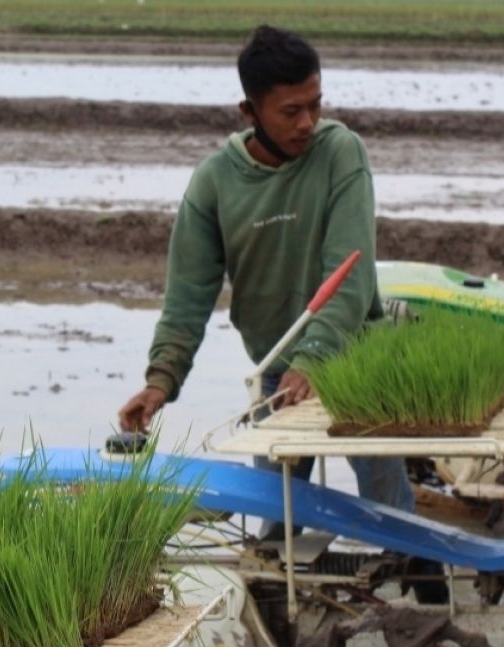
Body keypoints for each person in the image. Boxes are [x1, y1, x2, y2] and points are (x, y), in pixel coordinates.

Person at [117, 24, 415, 533]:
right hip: (278, 372)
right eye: (291, 111)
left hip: (359, 360)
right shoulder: (215, 183)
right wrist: (160, 380)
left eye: (315, 105)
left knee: (390, 510)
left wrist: (314, 359)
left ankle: (422, 588)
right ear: (250, 112)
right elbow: (188, 295)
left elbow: (349, 269)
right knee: (276, 517)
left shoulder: (340, 152)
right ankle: (279, 603)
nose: (308, 123)